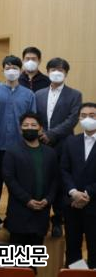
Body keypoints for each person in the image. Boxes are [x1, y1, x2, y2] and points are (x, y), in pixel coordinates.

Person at [0, 55, 36, 233]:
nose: (11, 70)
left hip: (19, 147)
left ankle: (12, 218)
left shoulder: (29, 95)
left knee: (17, 185)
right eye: (7, 67)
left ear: (21, 70)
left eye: (14, 67)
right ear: (3, 70)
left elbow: (32, 120)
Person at [35, 57, 82, 237]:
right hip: (41, 144)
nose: (56, 72)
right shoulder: (38, 94)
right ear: (47, 72)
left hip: (64, 144)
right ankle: (42, 218)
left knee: (62, 183)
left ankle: (58, 220)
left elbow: (72, 119)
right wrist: (41, 133)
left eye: (60, 70)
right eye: (53, 69)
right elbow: (35, 117)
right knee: (43, 181)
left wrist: (51, 134)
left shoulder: (75, 94)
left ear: (66, 73)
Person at [3, 113, 58, 252]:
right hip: (19, 212)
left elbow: (55, 179)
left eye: (33, 125)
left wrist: (48, 199)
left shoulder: (50, 153)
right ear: (20, 129)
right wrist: (27, 200)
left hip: (42, 213)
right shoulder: (12, 151)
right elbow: (9, 179)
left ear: (40, 129)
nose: (29, 128)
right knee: (16, 260)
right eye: (25, 125)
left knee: (34, 258)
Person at [61, 102, 96, 268]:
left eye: (92, 115)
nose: (87, 119)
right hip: (72, 204)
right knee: (73, 249)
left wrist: (87, 193)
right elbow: (64, 169)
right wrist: (73, 192)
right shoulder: (71, 141)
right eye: (83, 115)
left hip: (94, 204)